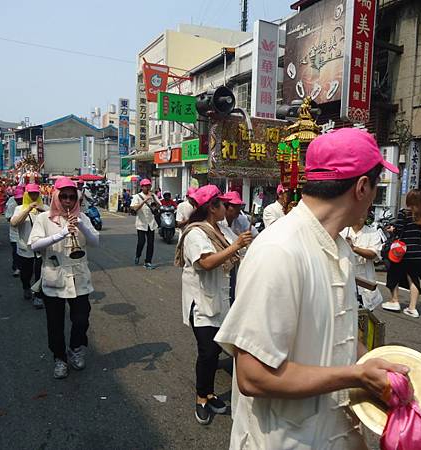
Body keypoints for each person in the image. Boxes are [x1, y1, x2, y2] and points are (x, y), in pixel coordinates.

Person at [214, 128, 407, 449]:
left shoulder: (338, 245)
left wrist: (375, 365)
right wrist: (355, 376)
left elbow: (341, 330)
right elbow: (252, 376)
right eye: (376, 187)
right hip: (284, 441)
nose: (374, 198)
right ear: (362, 187)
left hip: (333, 432)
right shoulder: (280, 250)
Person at [174, 184, 253, 425]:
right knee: (207, 352)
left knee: (215, 350)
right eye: (223, 204)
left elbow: (241, 251)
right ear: (212, 207)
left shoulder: (220, 229)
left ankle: (209, 393)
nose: (227, 209)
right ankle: (201, 398)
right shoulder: (196, 232)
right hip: (201, 303)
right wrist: (236, 246)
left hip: (219, 300)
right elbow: (206, 262)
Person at [28, 176, 99, 379]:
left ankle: (76, 348)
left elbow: (96, 242)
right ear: (56, 197)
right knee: (55, 324)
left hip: (79, 278)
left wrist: (81, 226)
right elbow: (34, 245)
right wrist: (61, 233)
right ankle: (59, 358)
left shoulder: (82, 218)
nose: (68, 201)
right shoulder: (43, 219)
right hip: (54, 277)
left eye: (72, 197)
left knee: (81, 320)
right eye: (64, 196)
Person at [381, 189, 421, 318]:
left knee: (393, 274)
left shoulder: (404, 212)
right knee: (414, 279)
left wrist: (392, 229)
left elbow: (398, 229)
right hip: (419, 252)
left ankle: (394, 301)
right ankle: (412, 308)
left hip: (403, 252)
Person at [11, 184, 48, 309]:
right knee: (26, 273)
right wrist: (28, 210)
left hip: (42, 248)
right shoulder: (19, 209)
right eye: (31, 193)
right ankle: (26, 287)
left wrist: (43, 212)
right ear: (26, 194)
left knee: (41, 273)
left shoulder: (46, 208)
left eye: (36, 193)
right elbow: (14, 223)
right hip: (25, 248)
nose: (33, 196)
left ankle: (38, 296)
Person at [340, 210, 384, 310]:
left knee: (364, 318)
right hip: (345, 281)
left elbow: (373, 254)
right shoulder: (342, 231)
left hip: (365, 283)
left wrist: (354, 248)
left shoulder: (373, 233)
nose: (361, 214)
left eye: (364, 212)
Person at [130, 179, 161, 268]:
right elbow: (134, 208)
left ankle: (148, 261)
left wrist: (154, 199)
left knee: (151, 243)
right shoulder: (137, 196)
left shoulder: (153, 195)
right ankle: (138, 255)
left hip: (151, 223)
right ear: (142, 187)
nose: (147, 188)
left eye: (149, 186)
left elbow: (159, 206)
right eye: (145, 186)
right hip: (141, 223)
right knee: (141, 242)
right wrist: (144, 201)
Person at [5, 185, 24, 277]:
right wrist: (18, 219)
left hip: (26, 232)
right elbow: (8, 218)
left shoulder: (29, 203)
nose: (19, 200)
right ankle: (17, 268)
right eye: (17, 198)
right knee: (16, 251)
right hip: (14, 232)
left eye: (21, 198)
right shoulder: (12, 203)